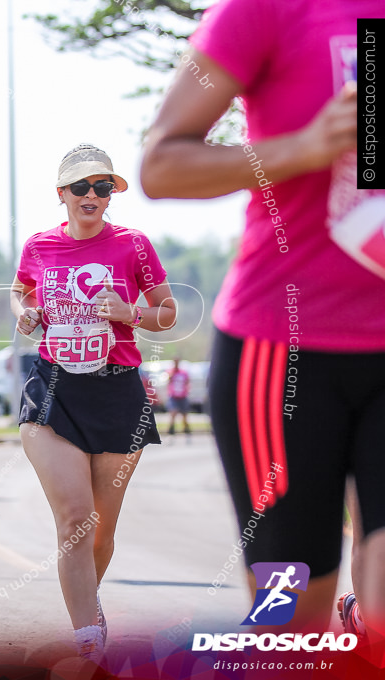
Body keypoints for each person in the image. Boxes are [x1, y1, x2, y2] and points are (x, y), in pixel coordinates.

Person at [140, 0, 385, 638]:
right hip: (283, 355)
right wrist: (301, 149)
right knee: (291, 619)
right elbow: (161, 164)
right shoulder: (263, 11)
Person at [12, 144, 176, 661]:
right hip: (54, 387)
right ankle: (86, 639)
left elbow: (167, 313)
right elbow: (20, 290)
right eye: (80, 186)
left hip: (117, 388)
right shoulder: (39, 245)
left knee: (101, 528)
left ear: (110, 195)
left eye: (102, 186)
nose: (91, 195)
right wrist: (26, 311)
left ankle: (90, 605)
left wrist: (130, 312)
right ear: (61, 194)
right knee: (75, 518)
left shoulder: (133, 245)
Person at [165, 358, 191, 438]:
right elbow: (167, 380)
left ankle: (186, 429)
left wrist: (187, 390)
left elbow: (187, 382)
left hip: (182, 395)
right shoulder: (170, 372)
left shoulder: (183, 373)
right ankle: (171, 430)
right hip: (174, 396)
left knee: (184, 414)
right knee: (173, 412)